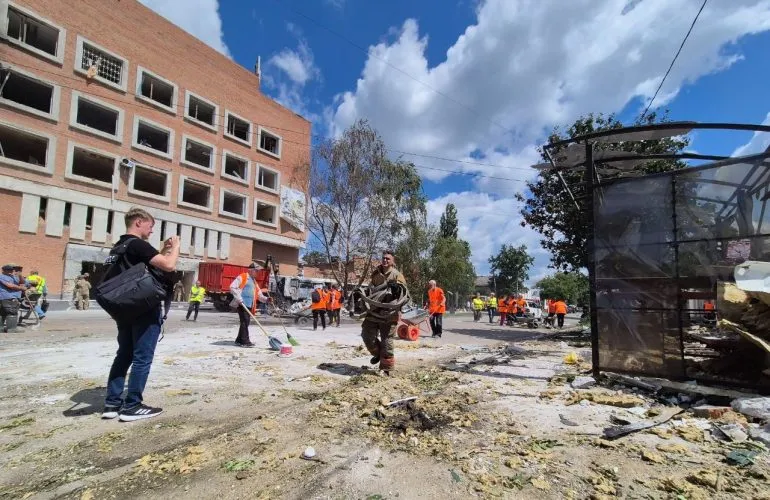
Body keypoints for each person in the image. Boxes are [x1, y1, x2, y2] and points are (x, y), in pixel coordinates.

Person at [103, 207, 180, 422]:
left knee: (124, 355)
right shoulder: (138, 244)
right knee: (142, 358)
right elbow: (168, 265)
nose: (151, 230)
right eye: (150, 226)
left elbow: (143, 266)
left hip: (124, 310)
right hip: (144, 309)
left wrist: (162, 250)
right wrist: (175, 249)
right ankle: (132, 406)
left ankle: (112, 403)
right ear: (138, 222)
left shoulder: (119, 247)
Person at [361, 250, 407, 374]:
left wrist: (396, 289)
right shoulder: (376, 274)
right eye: (384, 258)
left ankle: (387, 369)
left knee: (387, 341)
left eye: (388, 258)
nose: (385, 260)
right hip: (374, 311)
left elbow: (405, 294)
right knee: (367, 335)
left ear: (393, 262)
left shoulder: (397, 275)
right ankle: (377, 353)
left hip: (389, 314)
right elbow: (371, 290)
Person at [229, 262, 261, 347]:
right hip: (242, 304)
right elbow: (232, 287)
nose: (258, 273)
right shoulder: (243, 277)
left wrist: (266, 299)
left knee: (245, 322)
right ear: (251, 270)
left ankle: (239, 340)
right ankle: (245, 341)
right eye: (256, 271)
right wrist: (239, 298)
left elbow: (259, 293)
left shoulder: (253, 281)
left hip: (250, 305)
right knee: (245, 321)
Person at [1, 263, 27, 333]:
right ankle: (12, 328)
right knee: (12, 312)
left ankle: (1, 328)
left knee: (3, 313)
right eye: (10, 270)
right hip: (7, 297)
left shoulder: (13, 277)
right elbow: (10, 285)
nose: (12, 271)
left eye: (12, 270)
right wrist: (21, 288)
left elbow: (23, 282)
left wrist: (20, 274)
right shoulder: (2, 276)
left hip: (10, 297)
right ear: (4, 270)